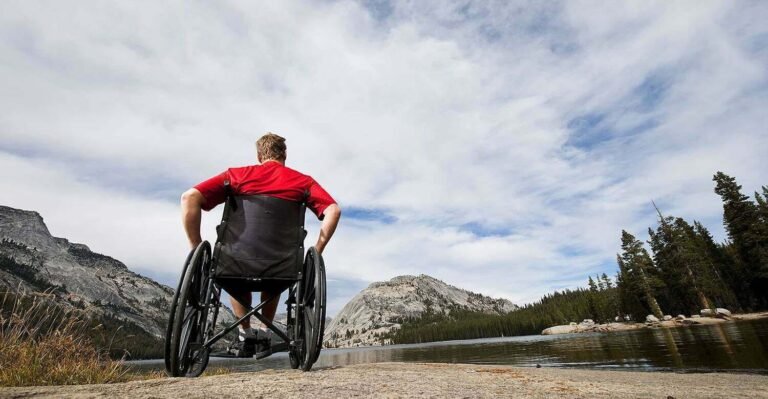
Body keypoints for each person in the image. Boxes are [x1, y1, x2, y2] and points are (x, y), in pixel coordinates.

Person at [180, 132, 341, 358]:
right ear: (284, 154)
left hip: (233, 263)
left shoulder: (236, 175)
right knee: (274, 271)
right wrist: (318, 250)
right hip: (282, 266)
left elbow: (189, 198)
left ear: (259, 156)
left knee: (234, 273)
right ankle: (265, 334)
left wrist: (195, 248)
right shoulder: (303, 182)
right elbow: (333, 210)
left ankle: (245, 335)